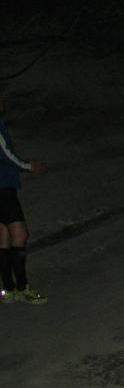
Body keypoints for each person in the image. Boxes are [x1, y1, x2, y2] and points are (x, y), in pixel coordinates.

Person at [0, 92, 48, 304]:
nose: (2, 101)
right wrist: (29, 166)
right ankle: (22, 287)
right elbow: (5, 154)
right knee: (20, 234)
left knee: (3, 237)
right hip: (2, 188)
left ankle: (8, 289)